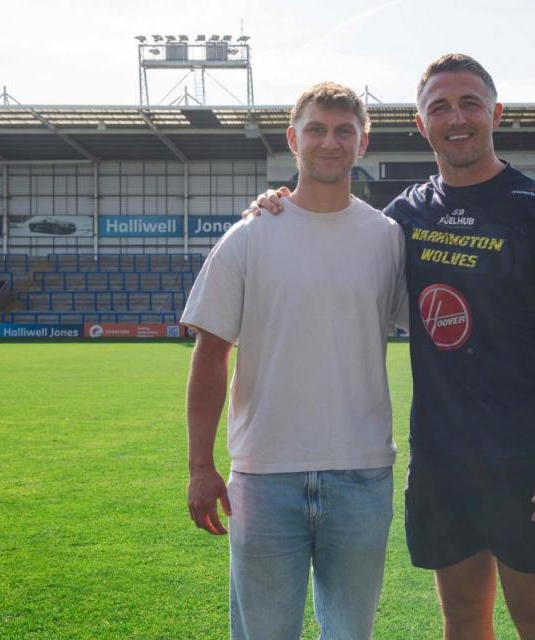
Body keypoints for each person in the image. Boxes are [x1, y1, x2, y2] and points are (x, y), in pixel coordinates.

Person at [246, 54, 535, 640]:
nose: (456, 117)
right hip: (441, 463)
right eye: (439, 107)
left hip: (527, 462)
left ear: (496, 112)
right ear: (421, 123)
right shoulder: (403, 218)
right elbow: (331, 228)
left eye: (469, 103)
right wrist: (276, 205)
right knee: (462, 618)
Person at [183, 82, 406, 640]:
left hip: (361, 473)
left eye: (343, 131)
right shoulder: (249, 236)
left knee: (350, 634)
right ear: (292, 138)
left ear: (363, 143)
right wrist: (199, 467)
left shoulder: (388, 239)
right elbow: (210, 354)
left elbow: (433, 337)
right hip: (263, 478)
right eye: (316, 129)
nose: (329, 142)